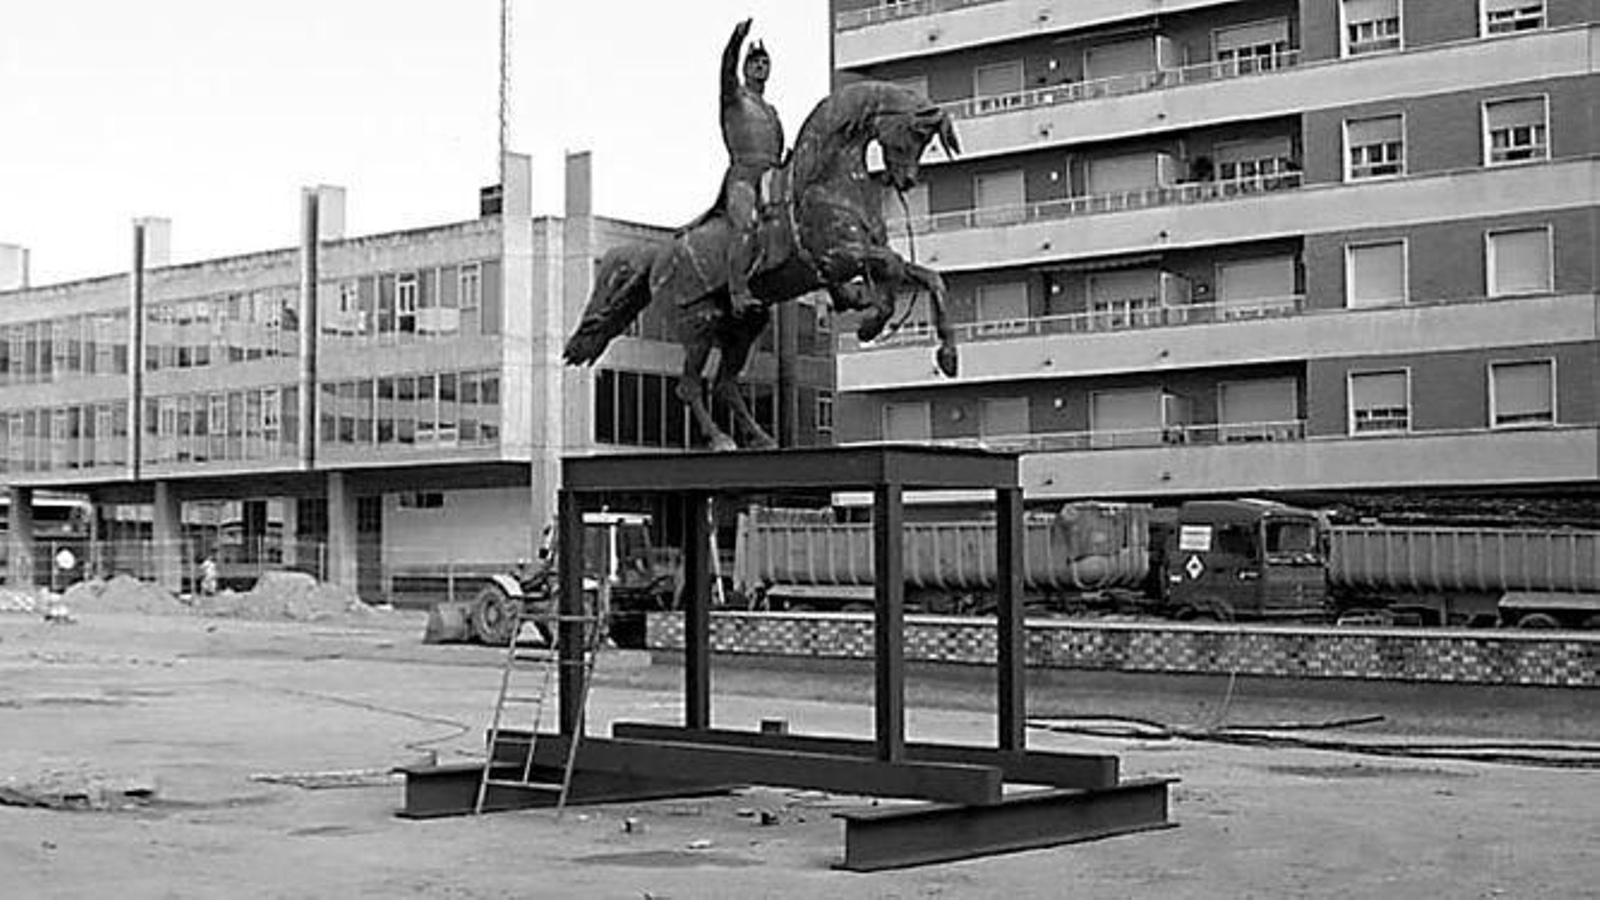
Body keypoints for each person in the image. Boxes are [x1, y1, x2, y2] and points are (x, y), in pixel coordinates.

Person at [719, 18, 785, 317]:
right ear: (746, 68)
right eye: (755, 63)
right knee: (746, 227)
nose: (761, 67)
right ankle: (737, 291)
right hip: (743, 176)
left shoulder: (771, 111)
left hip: (772, 175)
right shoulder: (734, 97)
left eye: (765, 63)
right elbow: (726, 70)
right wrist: (736, 41)